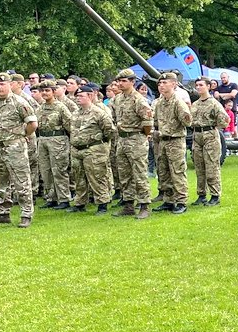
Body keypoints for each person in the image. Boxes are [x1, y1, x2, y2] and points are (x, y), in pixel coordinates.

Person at [0, 72, 38, 228]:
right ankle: (3, 213)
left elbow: (33, 124)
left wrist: (22, 135)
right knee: (0, 182)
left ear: (9, 84)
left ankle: (26, 214)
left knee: (21, 182)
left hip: (15, 147)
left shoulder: (19, 102)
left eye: (2, 84)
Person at [111, 68, 154, 219]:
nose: (120, 84)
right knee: (124, 174)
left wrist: (144, 136)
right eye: (119, 81)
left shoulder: (139, 99)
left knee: (139, 173)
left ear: (132, 82)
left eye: (124, 81)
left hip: (136, 139)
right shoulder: (118, 99)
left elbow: (147, 122)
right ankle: (128, 204)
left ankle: (144, 205)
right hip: (122, 139)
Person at [68, 85, 115, 214]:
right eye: (77, 96)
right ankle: (80, 203)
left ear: (90, 96)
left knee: (97, 177)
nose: (78, 98)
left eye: (81, 96)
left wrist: (100, 144)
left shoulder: (99, 112)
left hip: (94, 149)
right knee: (79, 177)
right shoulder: (76, 113)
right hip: (77, 150)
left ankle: (102, 203)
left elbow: (110, 131)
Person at [152, 72, 192, 215]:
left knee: (177, 172)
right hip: (162, 141)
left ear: (173, 84)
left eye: (165, 83)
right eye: (160, 84)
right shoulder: (159, 103)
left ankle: (181, 201)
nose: (161, 86)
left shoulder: (178, 102)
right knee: (163, 172)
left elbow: (187, 121)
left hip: (175, 141)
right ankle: (168, 200)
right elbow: (155, 122)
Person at [190, 77, 230, 207]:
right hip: (197, 135)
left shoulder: (214, 103)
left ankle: (215, 195)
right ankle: (201, 194)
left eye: (201, 85)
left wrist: (214, 128)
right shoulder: (195, 104)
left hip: (210, 135)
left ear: (208, 86)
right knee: (199, 166)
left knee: (211, 165)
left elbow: (225, 119)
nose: (198, 87)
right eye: (197, 85)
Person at [35, 81, 72, 210]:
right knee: (46, 171)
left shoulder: (61, 107)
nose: (44, 93)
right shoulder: (40, 108)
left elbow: (70, 126)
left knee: (59, 170)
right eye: (42, 91)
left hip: (58, 140)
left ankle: (64, 198)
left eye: (47, 90)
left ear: (54, 91)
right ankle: (51, 197)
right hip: (43, 140)